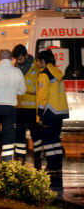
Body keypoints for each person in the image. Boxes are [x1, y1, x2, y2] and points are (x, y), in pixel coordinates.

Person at [36, 49, 69, 191]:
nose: (37, 63)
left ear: (43, 61)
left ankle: (51, 165)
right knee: (55, 140)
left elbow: (43, 95)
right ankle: (57, 165)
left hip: (49, 112)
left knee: (48, 142)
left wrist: (40, 112)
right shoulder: (57, 73)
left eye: (38, 60)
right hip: (60, 112)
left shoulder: (44, 75)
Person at [11, 44, 42, 168]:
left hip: (31, 108)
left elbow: (39, 87)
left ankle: (38, 155)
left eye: (20, 59)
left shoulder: (36, 67)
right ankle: (20, 157)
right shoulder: (15, 68)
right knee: (19, 134)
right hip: (18, 107)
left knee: (35, 133)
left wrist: (24, 88)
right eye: (17, 59)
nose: (18, 61)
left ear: (26, 55)